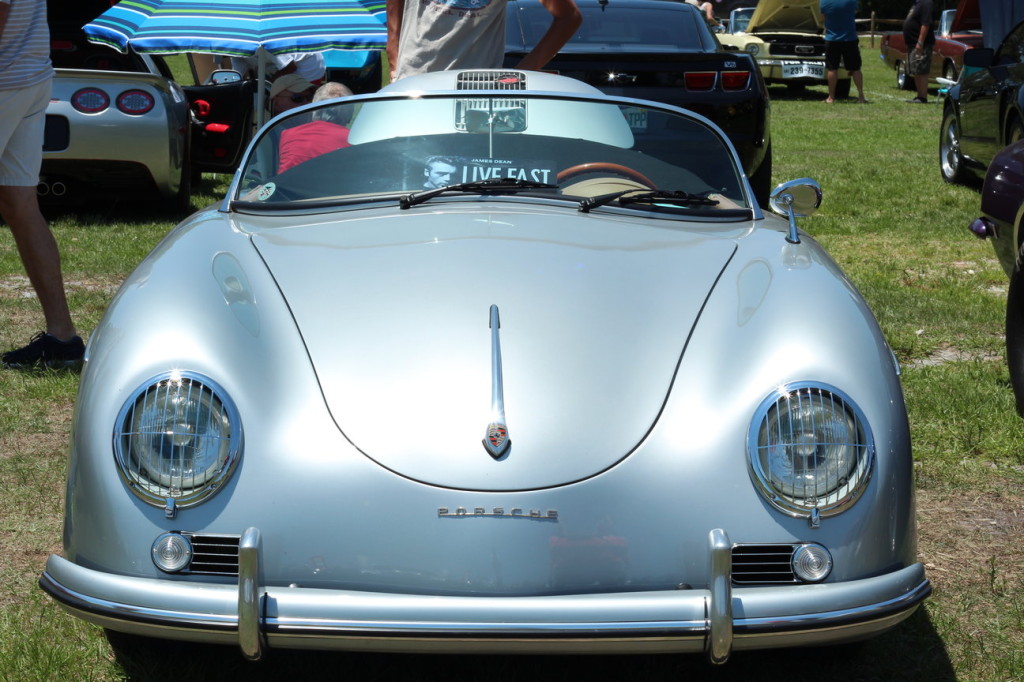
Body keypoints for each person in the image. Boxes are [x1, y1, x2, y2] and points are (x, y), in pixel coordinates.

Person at [0, 0, 84, 369]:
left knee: (21, 206)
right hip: (30, 78)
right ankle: (62, 338)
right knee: (20, 206)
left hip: (7, 81)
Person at [386, 0, 582, 82]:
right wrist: (393, 51)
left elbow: (569, 17)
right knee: (405, 162)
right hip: (411, 81)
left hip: (476, 92)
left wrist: (521, 74)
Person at [278, 82, 354, 173]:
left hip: (286, 186)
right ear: (349, 115)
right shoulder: (354, 140)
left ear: (313, 110)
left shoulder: (288, 134)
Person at [820, 0, 866, 103]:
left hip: (831, 39)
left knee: (832, 69)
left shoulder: (824, 2)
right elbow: (855, 11)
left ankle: (831, 97)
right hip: (849, 38)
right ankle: (861, 96)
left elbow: (822, 17)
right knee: (855, 68)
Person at [903, 0, 934, 103]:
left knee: (922, 69)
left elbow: (926, 24)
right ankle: (919, 96)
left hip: (922, 44)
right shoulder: (917, 3)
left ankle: (923, 96)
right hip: (912, 43)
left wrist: (920, 42)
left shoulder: (926, 3)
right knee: (916, 69)